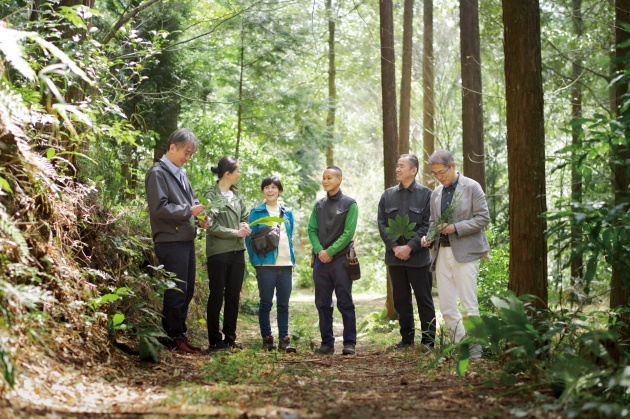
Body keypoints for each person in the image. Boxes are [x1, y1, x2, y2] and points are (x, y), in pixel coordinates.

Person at [421, 149, 490, 359]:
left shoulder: (471, 187)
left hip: (466, 253)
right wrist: (428, 237)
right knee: (448, 307)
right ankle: (461, 349)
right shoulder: (436, 193)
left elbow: (483, 218)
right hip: (441, 255)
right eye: (434, 174)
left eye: (442, 172)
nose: (439, 177)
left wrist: (455, 227)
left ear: (453, 166)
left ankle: (476, 352)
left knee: (469, 305)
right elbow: (433, 222)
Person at [145, 128, 208, 354]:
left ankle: (179, 334)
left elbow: (191, 202)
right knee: (176, 289)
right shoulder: (158, 173)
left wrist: (200, 217)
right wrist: (189, 211)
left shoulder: (181, 173)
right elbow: (159, 207)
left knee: (187, 289)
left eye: (191, 154)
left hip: (185, 238)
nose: (187, 157)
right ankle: (172, 337)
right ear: (172, 148)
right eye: (186, 152)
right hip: (170, 240)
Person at [377, 154, 435, 349]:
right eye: (396, 165)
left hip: (418, 258)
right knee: (401, 300)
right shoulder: (387, 195)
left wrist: (410, 246)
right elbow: (382, 224)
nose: (397, 169)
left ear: (414, 170)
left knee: (424, 300)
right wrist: (395, 247)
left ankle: (428, 340)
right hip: (395, 259)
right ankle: (407, 339)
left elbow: (428, 224)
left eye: (402, 166)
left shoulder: (427, 195)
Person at [307, 166, 358, 355]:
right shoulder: (319, 205)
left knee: (345, 302)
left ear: (339, 180)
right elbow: (312, 230)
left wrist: (330, 251)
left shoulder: (350, 204)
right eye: (323, 178)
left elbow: (348, 233)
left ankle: (349, 342)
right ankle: (327, 343)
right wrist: (320, 251)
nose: (325, 181)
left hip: (341, 261)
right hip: (321, 262)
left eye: (329, 177)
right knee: (322, 303)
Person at [204, 156, 251, 351]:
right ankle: (215, 340)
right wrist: (235, 233)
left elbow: (245, 216)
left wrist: (244, 224)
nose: (239, 174)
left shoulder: (238, 194)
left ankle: (230, 338)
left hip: (238, 252)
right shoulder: (211, 195)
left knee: (233, 296)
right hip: (219, 253)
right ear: (227, 174)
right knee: (216, 295)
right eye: (237, 171)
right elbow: (210, 225)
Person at [245, 176, 296, 353]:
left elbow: (289, 236)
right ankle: (267, 339)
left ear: (279, 190)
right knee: (266, 303)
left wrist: (292, 260)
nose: (270, 190)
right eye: (267, 187)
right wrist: (255, 261)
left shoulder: (287, 212)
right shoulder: (256, 212)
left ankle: (284, 339)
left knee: (283, 304)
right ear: (263, 190)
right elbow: (249, 239)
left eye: (274, 187)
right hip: (265, 265)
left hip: (286, 264)